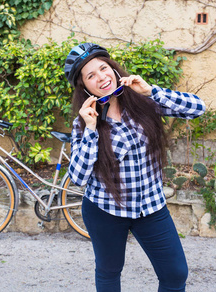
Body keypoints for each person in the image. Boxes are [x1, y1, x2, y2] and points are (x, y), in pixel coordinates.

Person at [64, 43, 206, 292]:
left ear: (114, 68)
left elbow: (197, 108)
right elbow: (77, 176)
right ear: (84, 87)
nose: (101, 77)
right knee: (109, 273)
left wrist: (152, 92)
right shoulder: (85, 122)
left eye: (103, 68)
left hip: (150, 207)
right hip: (105, 209)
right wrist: (90, 129)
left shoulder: (142, 101)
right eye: (91, 76)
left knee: (175, 274)